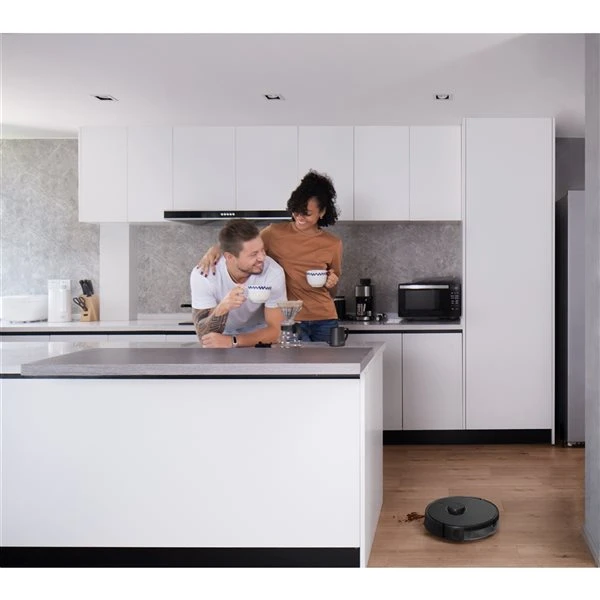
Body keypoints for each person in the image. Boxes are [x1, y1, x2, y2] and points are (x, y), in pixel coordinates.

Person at [198, 170, 342, 342]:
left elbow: (332, 291)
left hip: (325, 319)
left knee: (328, 361)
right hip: (289, 319)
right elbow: (243, 245)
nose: (300, 217)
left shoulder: (333, 244)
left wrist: (331, 282)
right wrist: (215, 249)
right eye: (296, 211)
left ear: (322, 212)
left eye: (307, 213)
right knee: (295, 360)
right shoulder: (274, 233)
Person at [190, 219, 287, 348]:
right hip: (221, 336)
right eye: (253, 254)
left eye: (262, 250)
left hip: (260, 336)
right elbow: (204, 335)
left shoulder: (273, 272)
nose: (262, 257)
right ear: (229, 257)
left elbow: (276, 332)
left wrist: (233, 341)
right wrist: (222, 308)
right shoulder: (204, 275)